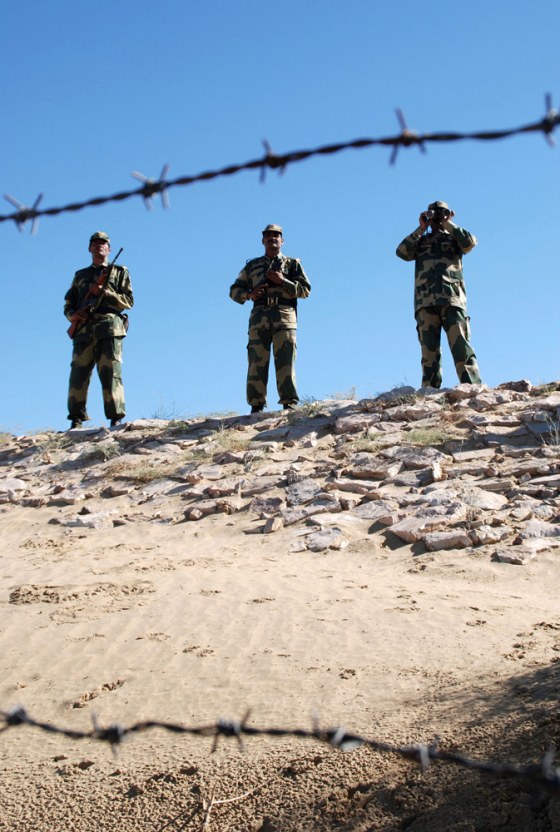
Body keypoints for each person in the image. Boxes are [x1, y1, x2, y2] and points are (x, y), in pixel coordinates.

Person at [396, 200, 481, 389]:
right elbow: (401, 252)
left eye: (441, 213)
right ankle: (429, 392)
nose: (437, 217)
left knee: (461, 348)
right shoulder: (421, 242)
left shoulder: (454, 239)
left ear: (448, 213)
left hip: (452, 300)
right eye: (434, 213)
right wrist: (421, 228)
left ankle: (472, 388)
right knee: (429, 353)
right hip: (425, 302)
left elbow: (470, 243)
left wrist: (448, 224)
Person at [230, 224, 311, 413]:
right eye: (268, 235)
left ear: (282, 241)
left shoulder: (292, 264)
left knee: (286, 361)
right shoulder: (252, 266)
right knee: (256, 361)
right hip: (259, 318)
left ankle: (289, 404)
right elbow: (234, 291)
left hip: (284, 317)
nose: (272, 238)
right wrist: (249, 294)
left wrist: (282, 281)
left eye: (276, 235)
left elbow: (305, 290)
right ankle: (256, 406)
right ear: (263, 241)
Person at [64, 231, 134, 429]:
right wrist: (74, 316)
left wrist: (104, 292)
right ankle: (76, 419)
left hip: (109, 328)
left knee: (111, 373)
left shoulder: (119, 272)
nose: (99, 246)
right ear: (89, 248)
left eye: (103, 244)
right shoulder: (80, 276)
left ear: (109, 249)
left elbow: (128, 302)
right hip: (84, 331)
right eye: (95, 244)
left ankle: (116, 418)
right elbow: (69, 303)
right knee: (78, 374)